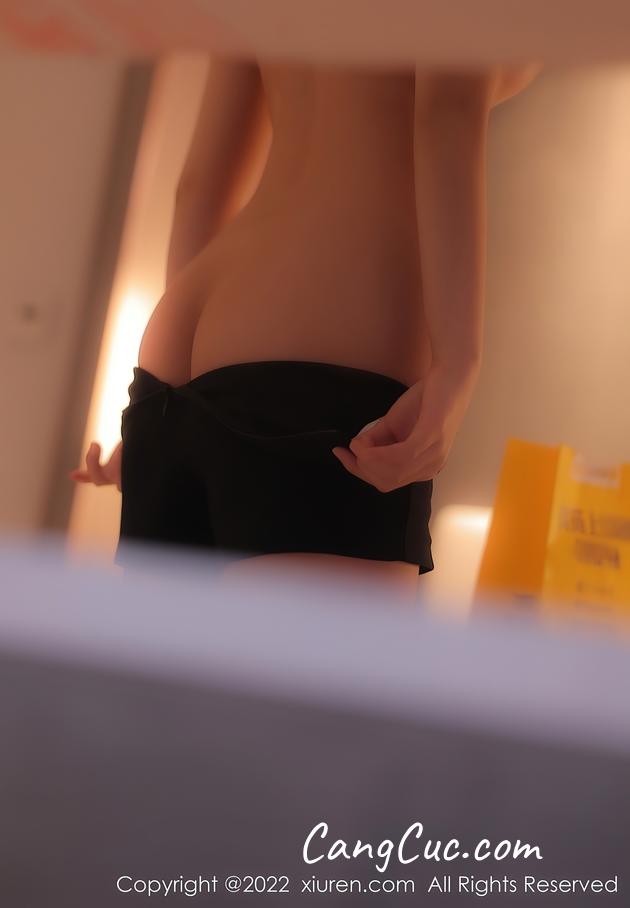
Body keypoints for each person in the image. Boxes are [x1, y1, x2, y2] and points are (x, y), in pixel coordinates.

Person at [72, 60, 539, 587]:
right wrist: (458, 360)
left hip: (176, 342)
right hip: (324, 321)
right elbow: (447, 112)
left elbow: (199, 189)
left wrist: (183, 401)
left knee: (166, 645)